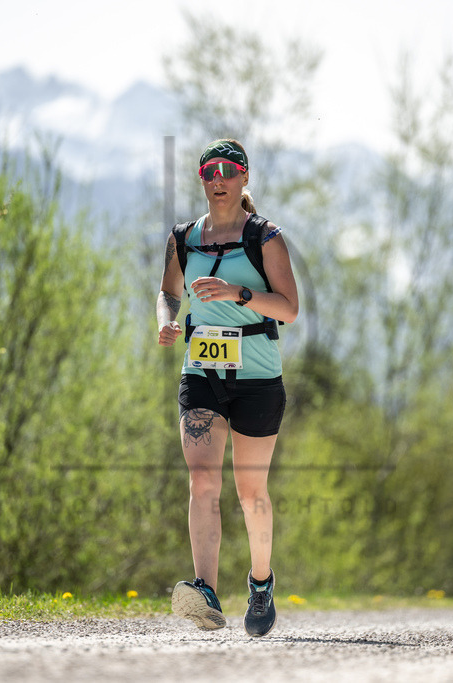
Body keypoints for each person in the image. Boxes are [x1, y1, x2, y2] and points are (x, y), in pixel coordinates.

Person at [156, 139, 298, 636]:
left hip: (258, 379)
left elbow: (289, 308)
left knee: (250, 490)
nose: (218, 180)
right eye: (208, 172)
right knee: (202, 480)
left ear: (243, 177)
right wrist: (166, 323)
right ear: (202, 179)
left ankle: (261, 582)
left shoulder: (265, 236)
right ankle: (206, 592)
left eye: (227, 171)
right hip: (202, 373)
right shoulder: (183, 238)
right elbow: (168, 293)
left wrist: (239, 294)